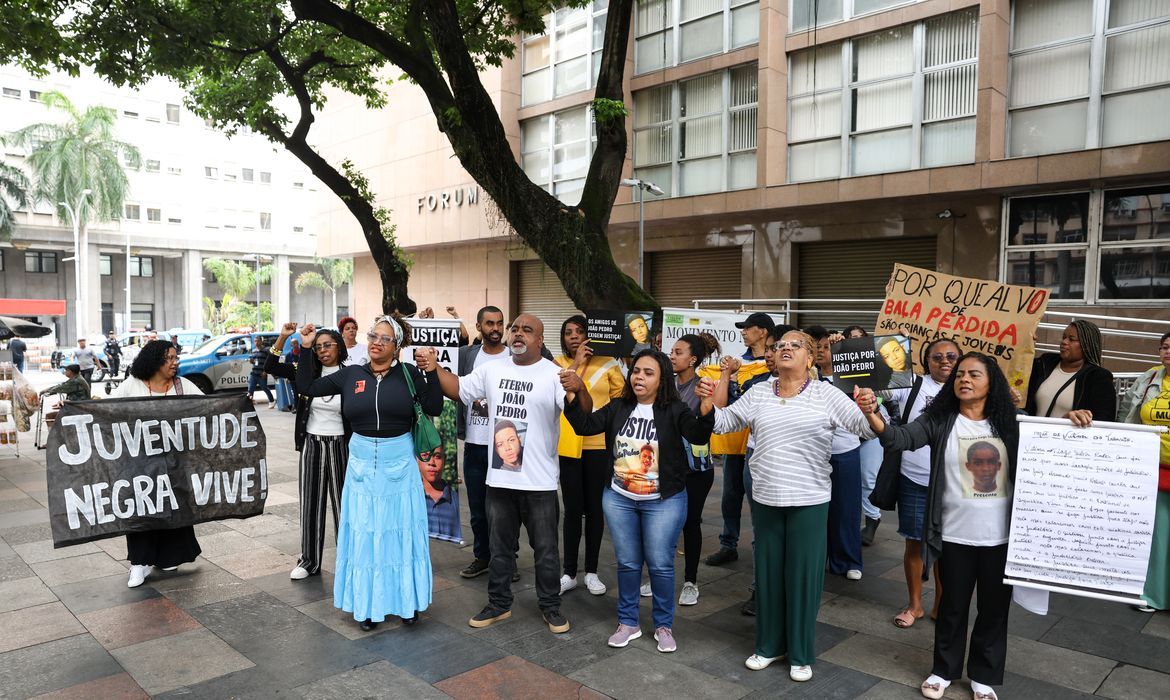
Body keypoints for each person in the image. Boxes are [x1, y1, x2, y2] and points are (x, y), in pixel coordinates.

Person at [857, 353, 1073, 700]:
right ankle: (943, 670)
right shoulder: (940, 420)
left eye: (974, 374)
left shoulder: (1013, 422)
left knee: (993, 610)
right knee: (952, 606)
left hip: (1001, 538)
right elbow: (900, 438)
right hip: (953, 534)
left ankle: (983, 677)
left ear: (992, 382)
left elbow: (1056, 445)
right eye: (960, 374)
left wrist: (1074, 421)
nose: (964, 379)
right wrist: (872, 414)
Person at [708, 330, 874, 682]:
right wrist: (708, 401)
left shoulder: (825, 393)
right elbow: (723, 423)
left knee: (802, 577)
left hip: (809, 500)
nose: (784, 348)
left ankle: (800, 652)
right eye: (780, 345)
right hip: (767, 496)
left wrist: (870, 408)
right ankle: (769, 645)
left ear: (810, 359)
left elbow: (866, 428)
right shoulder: (758, 392)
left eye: (794, 345)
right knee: (767, 574)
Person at [420, 314, 578, 635]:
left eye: (527, 330)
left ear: (540, 340)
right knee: (499, 549)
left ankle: (550, 606)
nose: (518, 334)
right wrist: (435, 368)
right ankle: (498, 603)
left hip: (539, 483)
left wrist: (579, 388)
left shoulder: (554, 374)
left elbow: (578, 413)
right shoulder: (492, 370)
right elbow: (459, 389)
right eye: (515, 329)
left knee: (546, 551)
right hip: (500, 481)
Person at [563, 349, 713, 653]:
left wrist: (707, 406)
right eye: (636, 372)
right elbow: (584, 426)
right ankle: (628, 622)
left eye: (648, 373)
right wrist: (574, 392)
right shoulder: (619, 406)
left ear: (662, 380)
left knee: (660, 564)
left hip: (664, 500)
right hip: (619, 498)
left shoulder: (675, 409)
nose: (639, 377)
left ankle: (663, 625)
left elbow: (697, 436)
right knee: (628, 563)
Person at [297, 316, 442, 631]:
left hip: (400, 462)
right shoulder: (350, 375)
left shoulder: (409, 375)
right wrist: (306, 350)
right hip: (361, 462)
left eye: (385, 338)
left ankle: (407, 604)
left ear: (397, 346)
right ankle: (366, 606)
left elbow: (434, 406)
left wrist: (431, 370)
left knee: (401, 531)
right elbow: (307, 386)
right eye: (374, 335)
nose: (376, 341)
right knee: (365, 533)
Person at [112, 340, 204, 588]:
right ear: (155, 361)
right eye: (170, 358)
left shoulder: (182, 385)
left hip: (175, 462)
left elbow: (209, 408)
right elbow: (106, 409)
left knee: (173, 508)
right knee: (142, 510)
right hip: (139, 463)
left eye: (176, 357)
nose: (176, 362)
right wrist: (74, 409)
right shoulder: (131, 385)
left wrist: (238, 403)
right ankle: (139, 563)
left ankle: (167, 557)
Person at [265, 322, 350, 581]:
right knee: (310, 502)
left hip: (341, 445)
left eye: (327, 345)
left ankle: (348, 559)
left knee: (343, 506)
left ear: (339, 347)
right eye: (318, 346)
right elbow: (270, 367)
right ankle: (309, 560)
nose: (322, 350)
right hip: (312, 443)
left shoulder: (352, 374)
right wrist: (284, 338)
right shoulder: (306, 372)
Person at [884, 338, 959, 629]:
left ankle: (941, 605)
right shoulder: (910, 385)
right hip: (914, 479)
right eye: (937, 356)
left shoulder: (970, 388)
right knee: (914, 543)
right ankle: (914, 605)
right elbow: (874, 382)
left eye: (951, 356)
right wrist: (849, 350)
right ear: (926, 360)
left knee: (947, 548)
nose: (944, 361)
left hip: (953, 484)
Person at [555, 315, 624, 596]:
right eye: (568, 332)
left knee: (595, 510)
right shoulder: (557, 364)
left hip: (598, 446)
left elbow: (621, 400)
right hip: (567, 447)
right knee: (572, 510)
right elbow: (561, 387)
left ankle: (592, 572)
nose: (573, 336)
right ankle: (569, 572)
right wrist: (577, 363)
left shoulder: (609, 363)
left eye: (579, 331)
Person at [706, 311, 774, 567]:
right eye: (742, 328)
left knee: (760, 500)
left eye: (748, 327)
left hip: (761, 445)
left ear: (764, 331)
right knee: (730, 495)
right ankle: (727, 544)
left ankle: (763, 550)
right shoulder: (736, 364)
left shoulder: (774, 366)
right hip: (736, 441)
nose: (743, 331)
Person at [456, 305, 512, 579]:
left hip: (504, 444)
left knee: (506, 509)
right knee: (478, 509)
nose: (496, 329)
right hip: (475, 445)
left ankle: (508, 559)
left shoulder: (514, 356)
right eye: (489, 323)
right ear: (479, 327)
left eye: (500, 323)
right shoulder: (468, 356)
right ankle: (483, 557)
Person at [807, 325, 865, 581]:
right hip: (813, 453)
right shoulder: (807, 377)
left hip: (845, 450)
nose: (820, 352)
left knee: (846, 509)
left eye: (825, 347)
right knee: (815, 511)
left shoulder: (850, 374)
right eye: (815, 348)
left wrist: (848, 349)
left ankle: (848, 560)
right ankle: (817, 558)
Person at [1118, 330, 1170, 613]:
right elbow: (1127, 411)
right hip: (1153, 468)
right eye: (1164, 347)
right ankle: (1153, 595)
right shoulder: (1149, 378)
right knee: (1158, 535)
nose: (1167, 352)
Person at [669, 333, 719, 606]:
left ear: (693, 360)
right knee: (663, 523)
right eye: (672, 352)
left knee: (690, 523)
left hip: (697, 468)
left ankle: (691, 581)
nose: (672, 356)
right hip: (668, 466)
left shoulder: (703, 386)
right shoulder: (666, 385)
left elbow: (709, 419)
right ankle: (659, 576)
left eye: (678, 352)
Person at [1026, 320, 1115, 421]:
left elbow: (1105, 419)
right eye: (1064, 337)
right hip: (1032, 434)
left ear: (1086, 345)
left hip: (1067, 436)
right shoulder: (1044, 363)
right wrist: (1026, 344)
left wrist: (1071, 420)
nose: (1064, 342)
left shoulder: (1098, 377)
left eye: (1071, 339)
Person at [844, 325, 885, 547]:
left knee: (869, 475)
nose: (856, 341)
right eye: (851, 338)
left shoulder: (876, 362)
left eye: (860, 337)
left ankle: (872, 519)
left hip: (872, 421)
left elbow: (889, 390)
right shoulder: (839, 361)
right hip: (845, 425)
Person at [418, 444, 460, 542]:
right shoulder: (410, 499)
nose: (432, 462)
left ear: (444, 460)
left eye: (437, 456)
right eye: (425, 456)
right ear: (417, 459)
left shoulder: (455, 500)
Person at [247, 337, 275, 408]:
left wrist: (265, 372)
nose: (256, 342)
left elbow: (270, 361)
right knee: (250, 389)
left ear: (261, 341)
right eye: (255, 341)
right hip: (254, 373)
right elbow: (254, 360)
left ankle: (272, 401)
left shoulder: (266, 350)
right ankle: (248, 404)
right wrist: (251, 361)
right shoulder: (254, 351)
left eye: (257, 341)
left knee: (264, 388)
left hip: (262, 373)